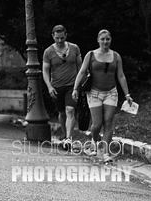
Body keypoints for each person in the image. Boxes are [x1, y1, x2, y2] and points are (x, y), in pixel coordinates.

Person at [73, 29, 133, 161]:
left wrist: (127, 94)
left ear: (111, 40)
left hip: (111, 92)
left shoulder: (116, 56)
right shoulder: (91, 55)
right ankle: (94, 141)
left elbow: (121, 76)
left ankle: (106, 153)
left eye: (108, 39)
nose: (105, 41)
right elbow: (82, 72)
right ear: (98, 40)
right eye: (103, 39)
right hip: (94, 92)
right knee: (97, 124)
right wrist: (75, 88)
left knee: (108, 122)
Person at [41, 25, 82, 147]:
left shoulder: (74, 48)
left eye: (62, 38)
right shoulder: (48, 52)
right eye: (57, 38)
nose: (60, 41)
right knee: (62, 113)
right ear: (53, 36)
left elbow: (80, 67)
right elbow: (45, 70)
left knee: (70, 110)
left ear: (66, 35)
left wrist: (79, 84)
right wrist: (49, 86)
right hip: (56, 87)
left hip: (72, 85)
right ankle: (65, 135)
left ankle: (69, 139)